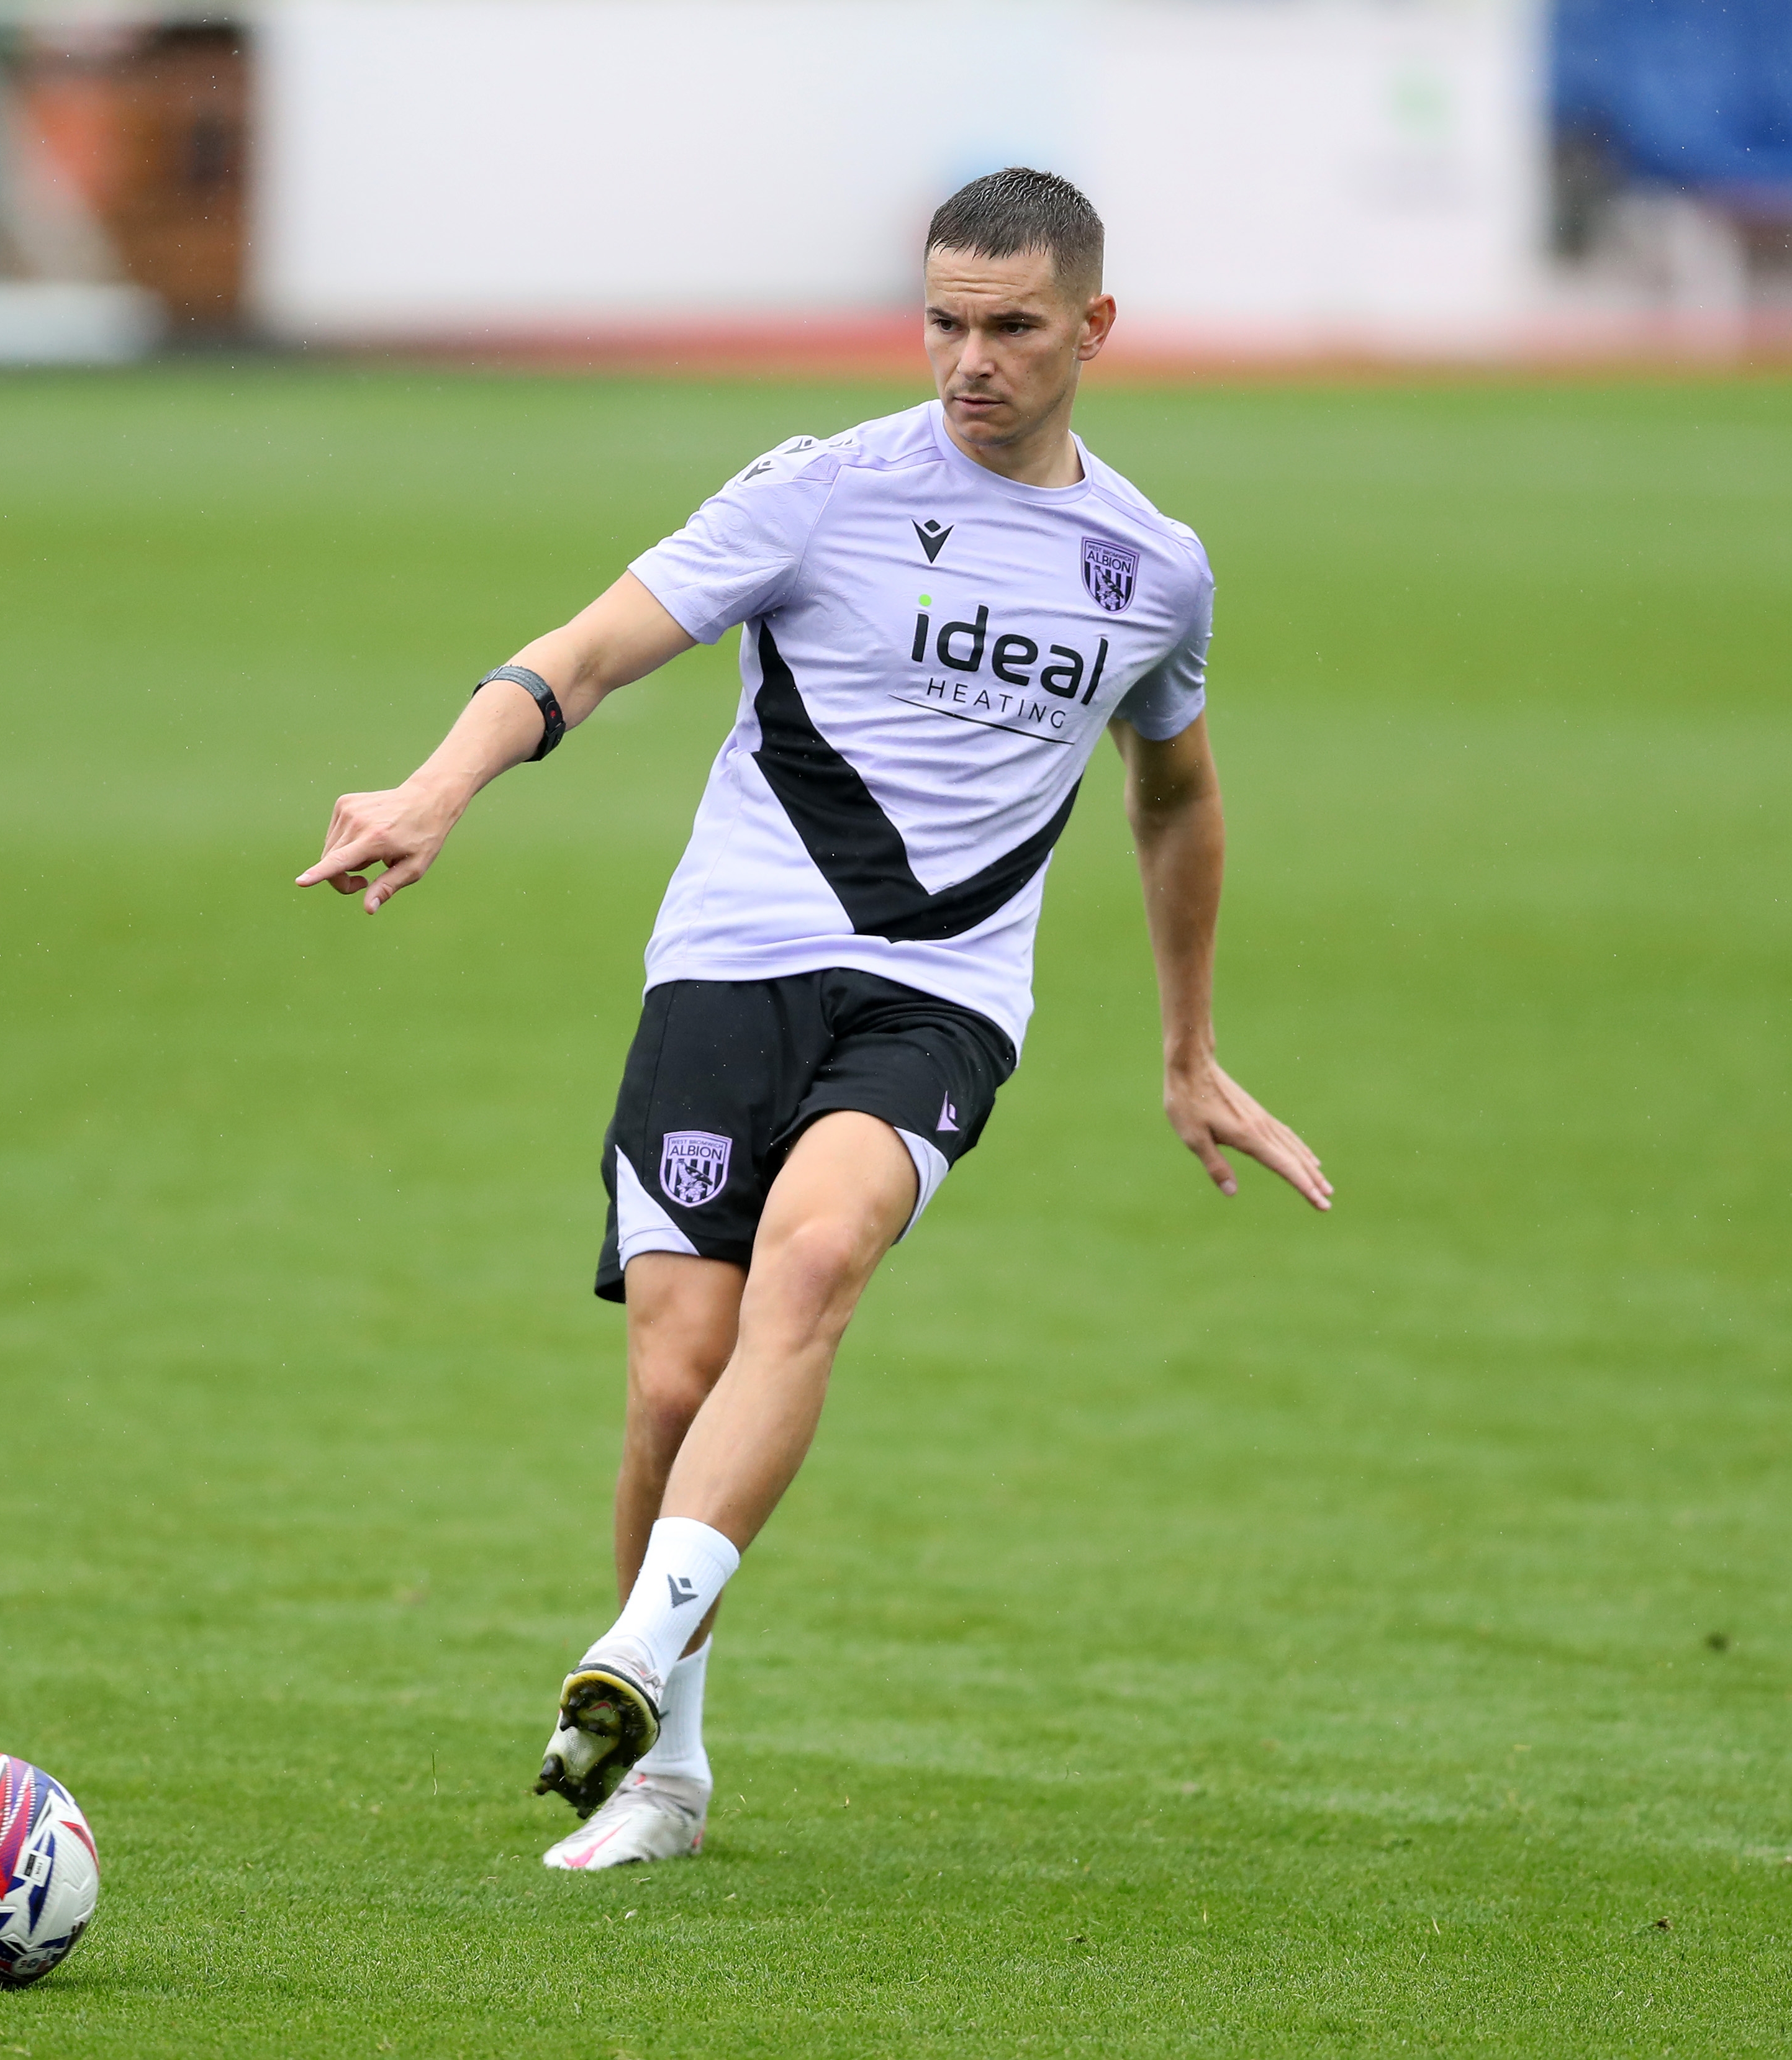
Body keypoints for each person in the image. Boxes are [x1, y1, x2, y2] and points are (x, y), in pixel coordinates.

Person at [296, 168, 1331, 1873]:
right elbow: (590, 650)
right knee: (671, 1375)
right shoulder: (821, 492)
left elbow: (1176, 801)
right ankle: (667, 1770)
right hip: (734, 962)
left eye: (1009, 327)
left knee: (823, 1254)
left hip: (942, 999)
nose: (968, 359)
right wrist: (437, 786)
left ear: (1095, 327)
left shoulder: (1154, 570)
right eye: (943, 321)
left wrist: (1186, 1047)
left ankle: (639, 1640)